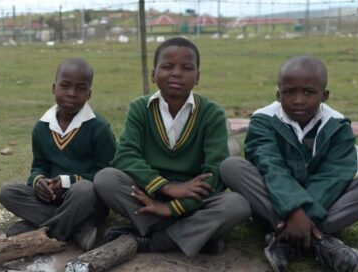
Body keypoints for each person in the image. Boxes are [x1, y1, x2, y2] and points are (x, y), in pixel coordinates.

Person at [220, 56, 358, 272]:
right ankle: (319, 241)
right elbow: (271, 166)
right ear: (278, 95)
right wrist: (294, 210)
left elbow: (334, 175)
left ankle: (290, 239)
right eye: (289, 92)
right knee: (231, 166)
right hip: (275, 200)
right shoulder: (263, 120)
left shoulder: (337, 125)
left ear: (324, 95)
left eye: (308, 92)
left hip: (324, 201)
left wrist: (305, 216)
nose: (298, 100)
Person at [94, 37, 250, 256]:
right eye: (167, 66)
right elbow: (125, 156)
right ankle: (195, 237)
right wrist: (166, 188)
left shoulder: (211, 113)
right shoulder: (140, 108)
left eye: (187, 68)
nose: (176, 73)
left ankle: (155, 240)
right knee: (106, 179)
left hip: (193, 200)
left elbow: (214, 173)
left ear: (197, 77)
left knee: (236, 204)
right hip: (150, 193)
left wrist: (172, 207)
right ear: (153, 74)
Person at [0, 58, 116, 251]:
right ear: (54, 88)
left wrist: (68, 181)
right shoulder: (42, 127)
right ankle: (77, 228)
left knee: (83, 189)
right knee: (7, 192)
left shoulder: (99, 128)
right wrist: (39, 181)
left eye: (80, 88)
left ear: (89, 94)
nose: (71, 93)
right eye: (65, 86)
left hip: (86, 201)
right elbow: (39, 166)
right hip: (51, 200)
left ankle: (46, 232)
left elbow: (107, 173)